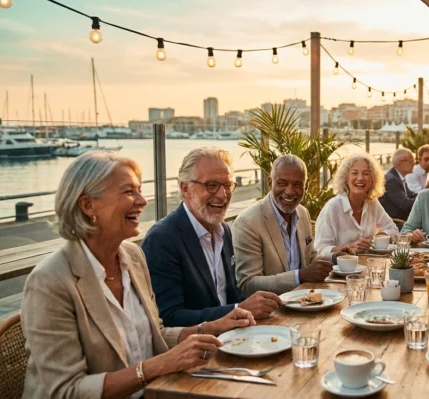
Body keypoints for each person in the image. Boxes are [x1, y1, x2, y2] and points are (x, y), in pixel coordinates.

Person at [22, 152, 255, 399]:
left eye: (140, 190)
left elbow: (155, 333)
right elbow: (66, 392)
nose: (143, 201)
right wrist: (160, 365)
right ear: (88, 205)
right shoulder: (49, 282)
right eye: (128, 192)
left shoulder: (132, 257)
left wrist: (211, 326)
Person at [143, 147, 282, 324]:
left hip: (236, 340)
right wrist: (238, 310)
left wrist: (258, 305)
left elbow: (230, 295)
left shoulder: (224, 231)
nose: (223, 195)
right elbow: (169, 318)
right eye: (212, 185)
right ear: (185, 188)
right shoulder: (161, 240)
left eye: (227, 185)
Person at [233, 155, 332, 296]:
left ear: (306, 187)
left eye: (297, 185)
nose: (290, 191)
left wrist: (334, 259)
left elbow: (310, 258)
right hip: (272, 311)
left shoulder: (302, 213)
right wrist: (299, 276)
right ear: (269, 183)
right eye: (282, 183)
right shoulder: (248, 222)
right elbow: (248, 284)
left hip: (306, 302)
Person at [315, 153, 398, 256]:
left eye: (366, 173)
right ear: (346, 178)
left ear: (373, 179)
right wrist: (347, 248)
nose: (360, 178)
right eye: (354, 173)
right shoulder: (333, 207)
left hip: (368, 265)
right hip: (339, 269)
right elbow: (320, 249)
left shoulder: (372, 203)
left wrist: (372, 239)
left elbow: (393, 230)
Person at [379, 148, 417, 225]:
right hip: (395, 223)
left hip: (403, 219)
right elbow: (405, 204)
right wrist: (423, 199)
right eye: (412, 161)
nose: (414, 164)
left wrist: (427, 194)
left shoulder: (398, 177)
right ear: (401, 163)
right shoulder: (390, 180)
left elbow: (411, 195)